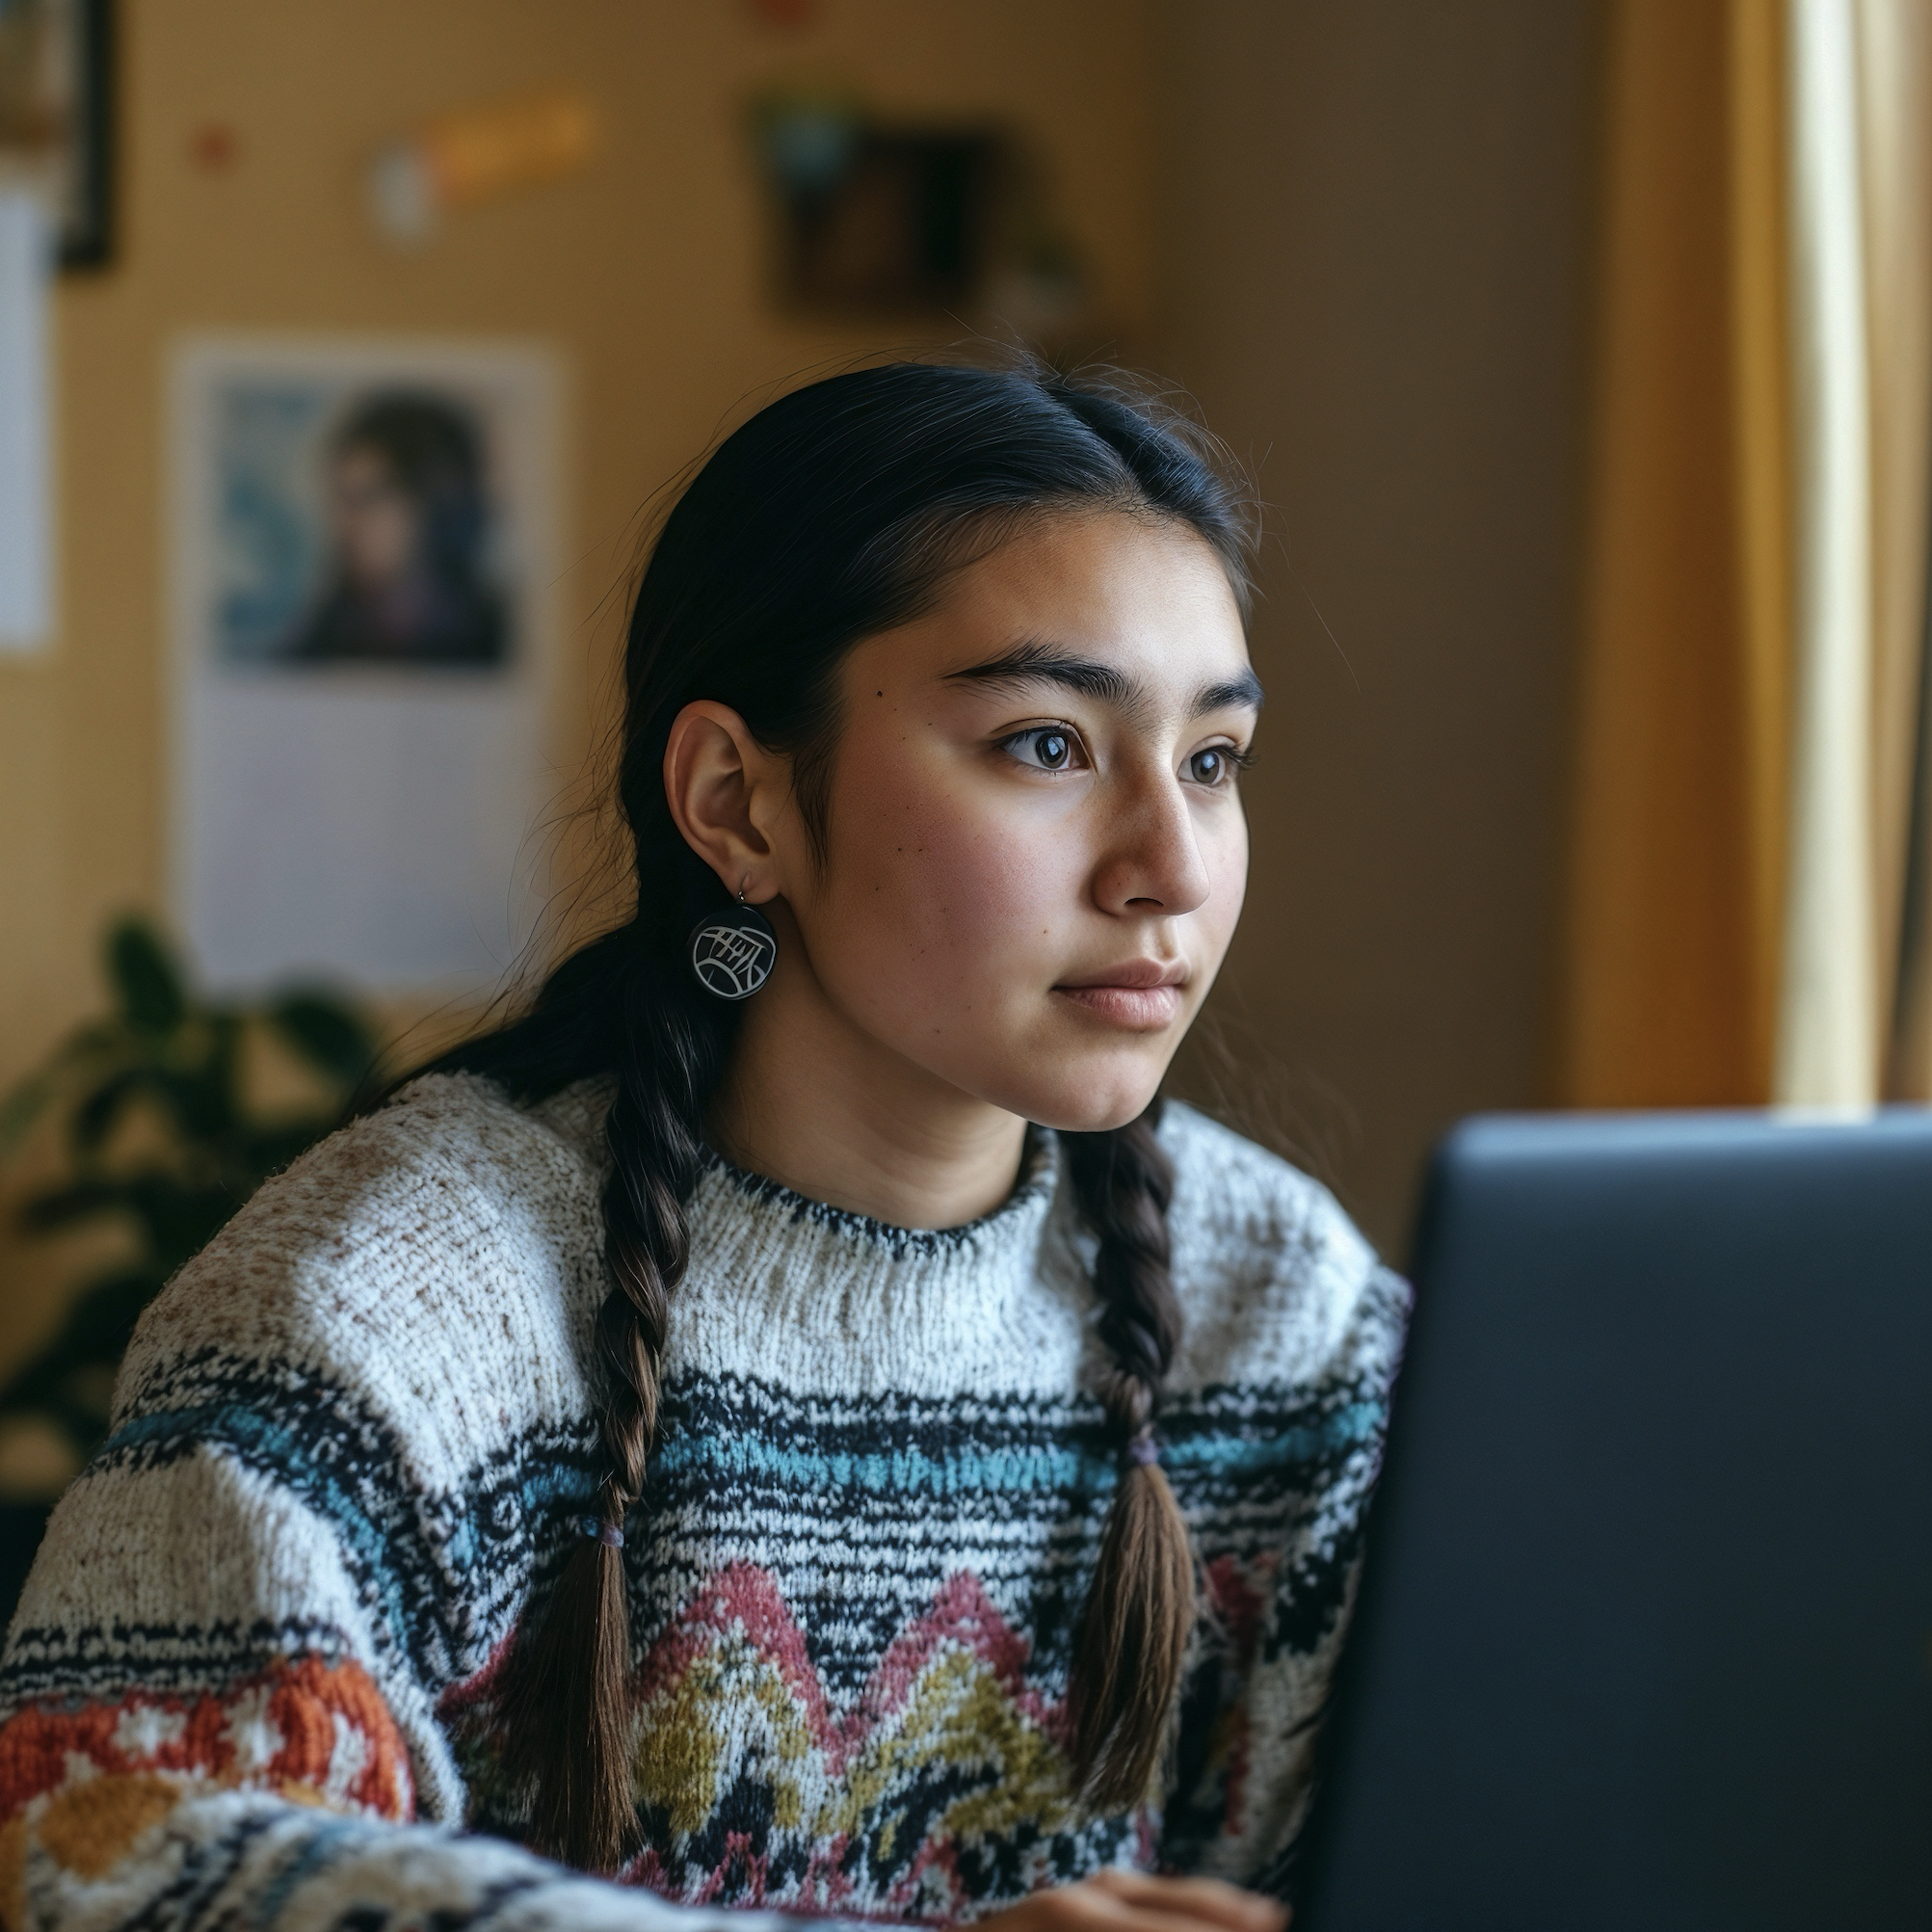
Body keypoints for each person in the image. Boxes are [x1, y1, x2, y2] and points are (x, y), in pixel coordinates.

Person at [0, 362, 1408, 1932]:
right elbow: (97, 1855)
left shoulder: (1287, 1316)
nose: (1168, 866)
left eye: (1212, 762)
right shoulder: (395, 1310)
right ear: (736, 803)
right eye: (1046, 745)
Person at [286, 390, 508, 666]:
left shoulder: (503, 641)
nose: (346, 523)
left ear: (433, 500)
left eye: (371, 498)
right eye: (342, 500)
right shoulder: (313, 652)